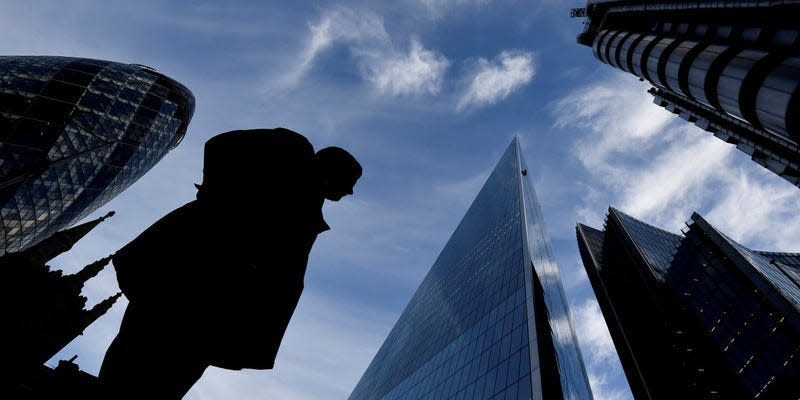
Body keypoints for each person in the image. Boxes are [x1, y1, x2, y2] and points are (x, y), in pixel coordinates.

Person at [99, 128, 362, 398]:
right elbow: (218, 144)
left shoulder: (309, 205)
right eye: (351, 180)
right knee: (140, 351)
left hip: (224, 306)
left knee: (175, 374)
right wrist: (215, 196)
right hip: (192, 279)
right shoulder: (294, 151)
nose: (351, 191)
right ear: (333, 168)